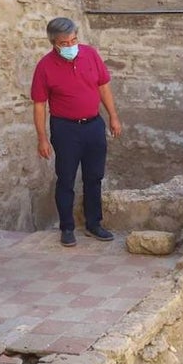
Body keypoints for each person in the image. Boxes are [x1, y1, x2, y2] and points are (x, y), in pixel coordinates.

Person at [31, 17, 123, 247]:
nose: (71, 45)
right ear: (54, 43)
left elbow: (103, 86)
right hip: (65, 129)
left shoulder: (90, 54)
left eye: (74, 39)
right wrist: (42, 138)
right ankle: (67, 227)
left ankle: (94, 223)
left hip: (93, 125)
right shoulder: (45, 66)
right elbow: (39, 104)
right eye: (65, 42)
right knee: (66, 178)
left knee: (94, 177)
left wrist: (113, 116)